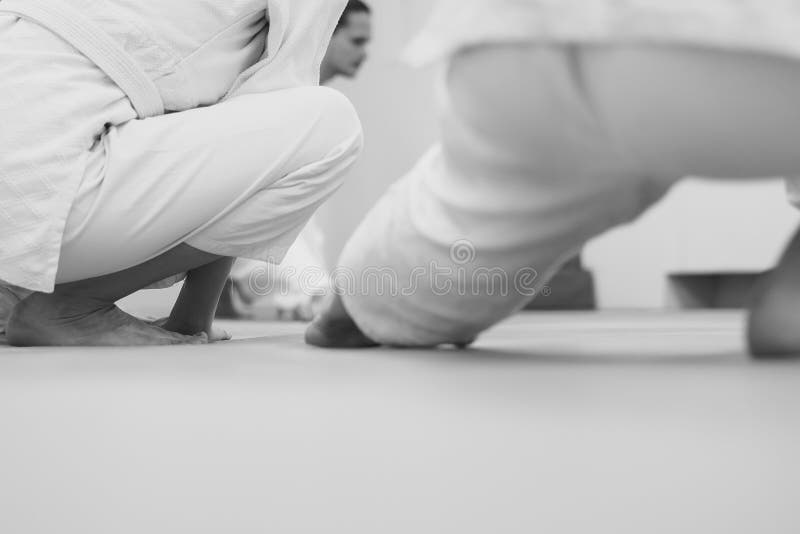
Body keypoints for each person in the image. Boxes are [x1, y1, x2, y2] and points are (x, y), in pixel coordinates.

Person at [306, 0, 800, 357]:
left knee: (367, 302)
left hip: (511, 40)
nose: (364, 54)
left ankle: (356, 301)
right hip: (759, 49)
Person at [0, 0, 363, 346]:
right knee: (332, 126)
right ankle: (73, 306)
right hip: (34, 191)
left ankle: (11, 285)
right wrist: (193, 320)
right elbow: (264, 98)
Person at [219, 0, 373, 321]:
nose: (365, 53)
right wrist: (312, 289)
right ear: (325, 33)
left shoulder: (307, 99)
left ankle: (241, 288)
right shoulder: (279, 92)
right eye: (357, 41)